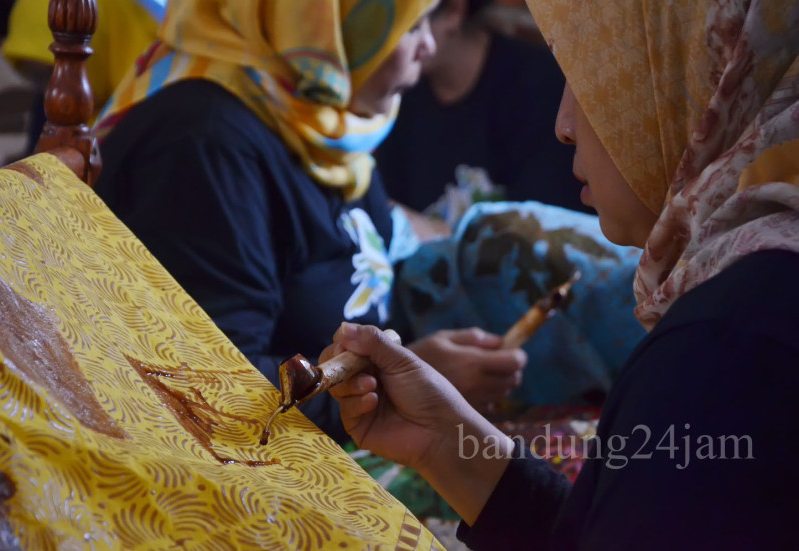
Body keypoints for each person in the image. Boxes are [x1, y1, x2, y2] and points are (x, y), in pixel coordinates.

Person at [323, 0, 799, 548]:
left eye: (588, 80)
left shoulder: (724, 357)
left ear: (696, 74)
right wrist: (444, 445)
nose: (564, 125)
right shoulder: (746, 310)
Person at [94, 0, 526, 444]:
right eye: (412, 27)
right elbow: (215, 390)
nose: (429, 45)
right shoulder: (204, 144)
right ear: (330, 27)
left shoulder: (316, 115)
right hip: (254, 462)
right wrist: (402, 381)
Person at [374, 0, 589, 214]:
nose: (387, 42)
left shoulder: (537, 86)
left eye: (408, 25)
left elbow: (540, 232)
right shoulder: (400, 91)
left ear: (453, 11)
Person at [1, 0, 164, 151]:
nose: (53, 93)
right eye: (40, 79)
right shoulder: (51, 115)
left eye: (65, 72)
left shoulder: (165, 125)